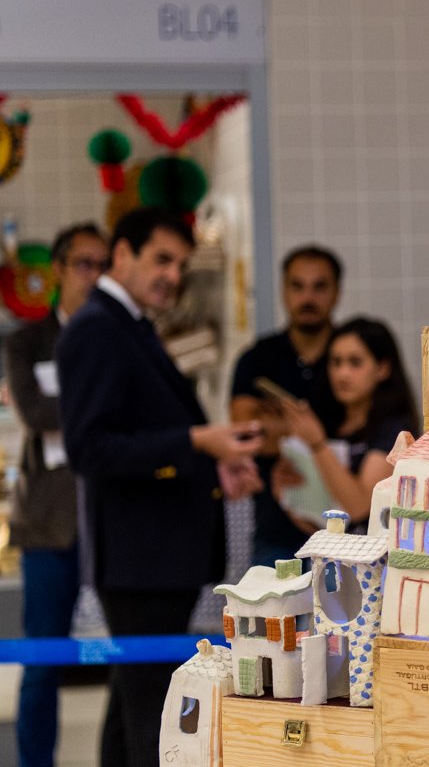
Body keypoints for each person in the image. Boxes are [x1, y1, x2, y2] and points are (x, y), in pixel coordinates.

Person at [56, 207, 261, 767]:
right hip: (140, 558)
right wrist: (196, 441)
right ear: (122, 253)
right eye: (162, 260)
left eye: (181, 265)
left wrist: (212, 463)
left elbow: (143, 430)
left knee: (132, 707)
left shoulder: (130, 324)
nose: (173, 275)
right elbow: (91, 449)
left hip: (155, 556)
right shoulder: (98, 328)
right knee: (155, 718)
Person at [4, 222, 108, 767]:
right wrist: (102, 410)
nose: (94, 276)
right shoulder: (27, 341)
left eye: (103, 265)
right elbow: (33, 411)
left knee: (127, 656)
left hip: (111, 517)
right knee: (42, 660)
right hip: (49, 521)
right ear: (60, 269)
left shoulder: (117, 337)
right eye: (84, 264)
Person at [230, 245, 343, 563]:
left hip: (350, 535)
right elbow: (246, 435)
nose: (308, 297)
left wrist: (275, 423)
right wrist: (321, 430)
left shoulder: (350, 355)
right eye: (297, 286)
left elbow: (364, 431)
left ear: (337, 292)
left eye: (319, 286)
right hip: (276, 533)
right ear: (283, 290)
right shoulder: (256, 359)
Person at [275, 317, 419, 526]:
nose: (342, 374)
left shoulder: (396, 431)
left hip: (375, 546)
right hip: (329, 543)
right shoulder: (329, 421)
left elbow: (360, 507)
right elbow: (317, 521)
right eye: (336, 362)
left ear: (383, 369)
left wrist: (317, 445)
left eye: (355, 362)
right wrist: (286, 491)